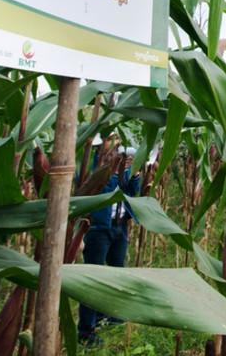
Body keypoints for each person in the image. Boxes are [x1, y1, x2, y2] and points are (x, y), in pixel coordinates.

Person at [78, 143, 142, 345]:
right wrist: (113, 169)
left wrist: (134, 173)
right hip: (99, 228)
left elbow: (131, 191)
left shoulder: (125, 168)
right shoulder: (99, 166)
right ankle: (85, 331)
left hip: (120, 227)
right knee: (93, 277)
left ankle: (110, 314)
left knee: (117, 273)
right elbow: (100, 190)